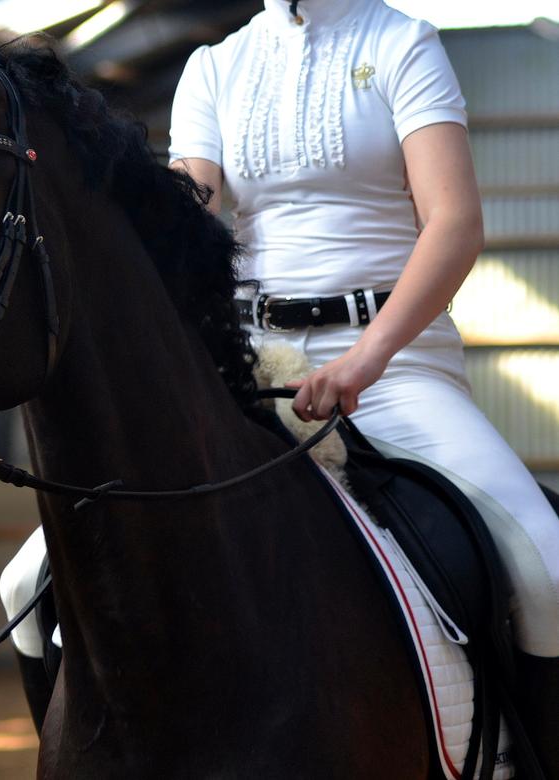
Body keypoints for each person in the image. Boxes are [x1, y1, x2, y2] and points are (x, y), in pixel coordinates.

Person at [167, 0, 559, 772]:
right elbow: (184, 222)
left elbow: (454, 224)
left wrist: (363, 361)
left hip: (394, 365)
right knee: (31, 587)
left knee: (547, 564)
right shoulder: (212, 67)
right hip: (255, 365)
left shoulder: (403, 43)